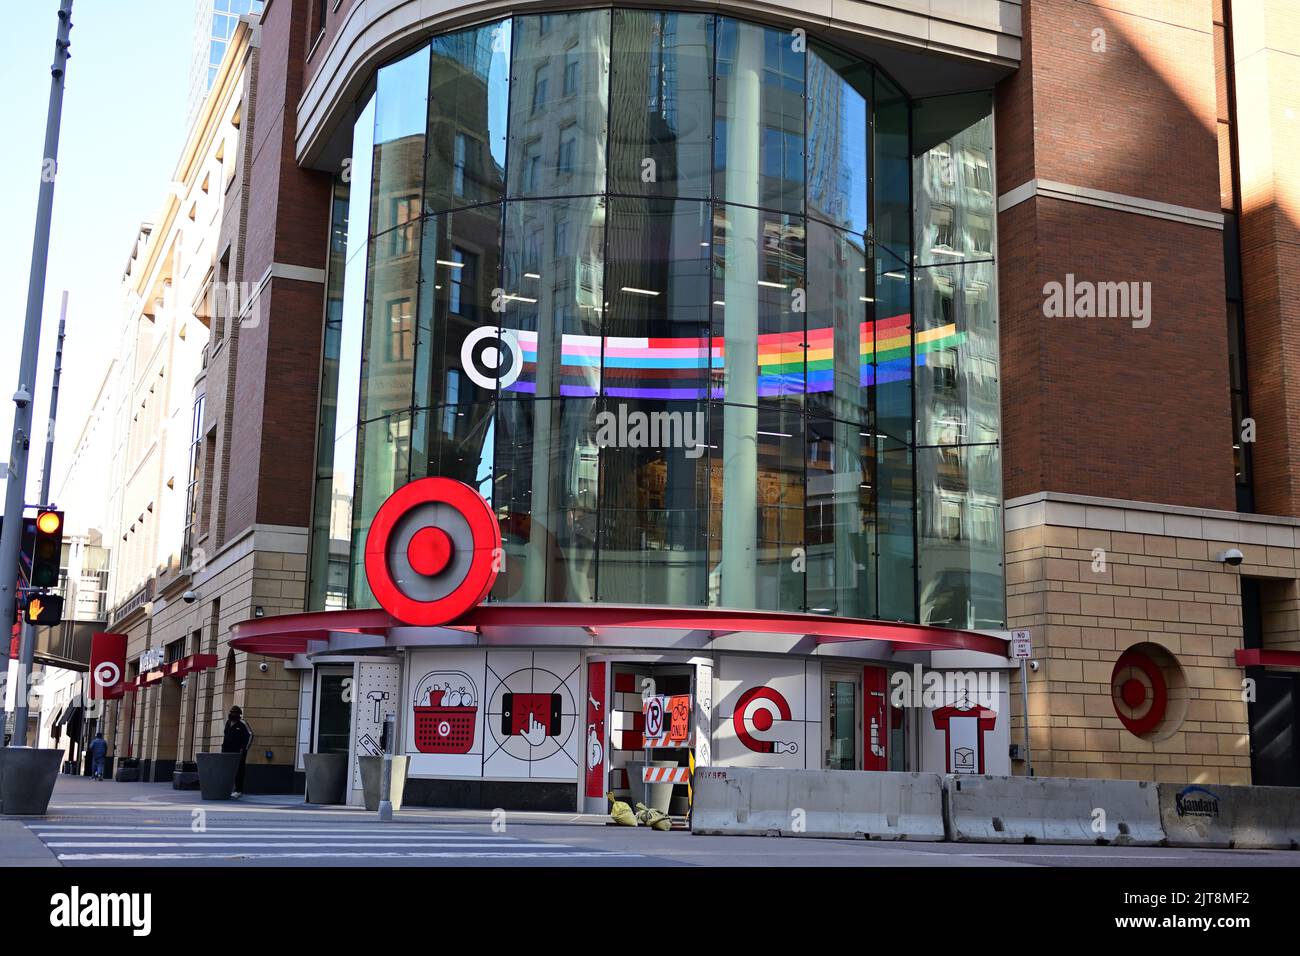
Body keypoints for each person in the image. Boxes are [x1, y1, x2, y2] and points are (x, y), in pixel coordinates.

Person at [221, 706, 254, 797]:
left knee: (239, 770)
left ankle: (238, 790)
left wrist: (244, 749)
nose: (233, 714)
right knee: (227, 769)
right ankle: (227, 788)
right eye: (232, 713)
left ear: (239, 715)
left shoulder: (243, 723)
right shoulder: (228, 723)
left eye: (235, 713)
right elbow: (226, 736)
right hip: (227, 750)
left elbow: (251, 735)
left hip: (239, 751)